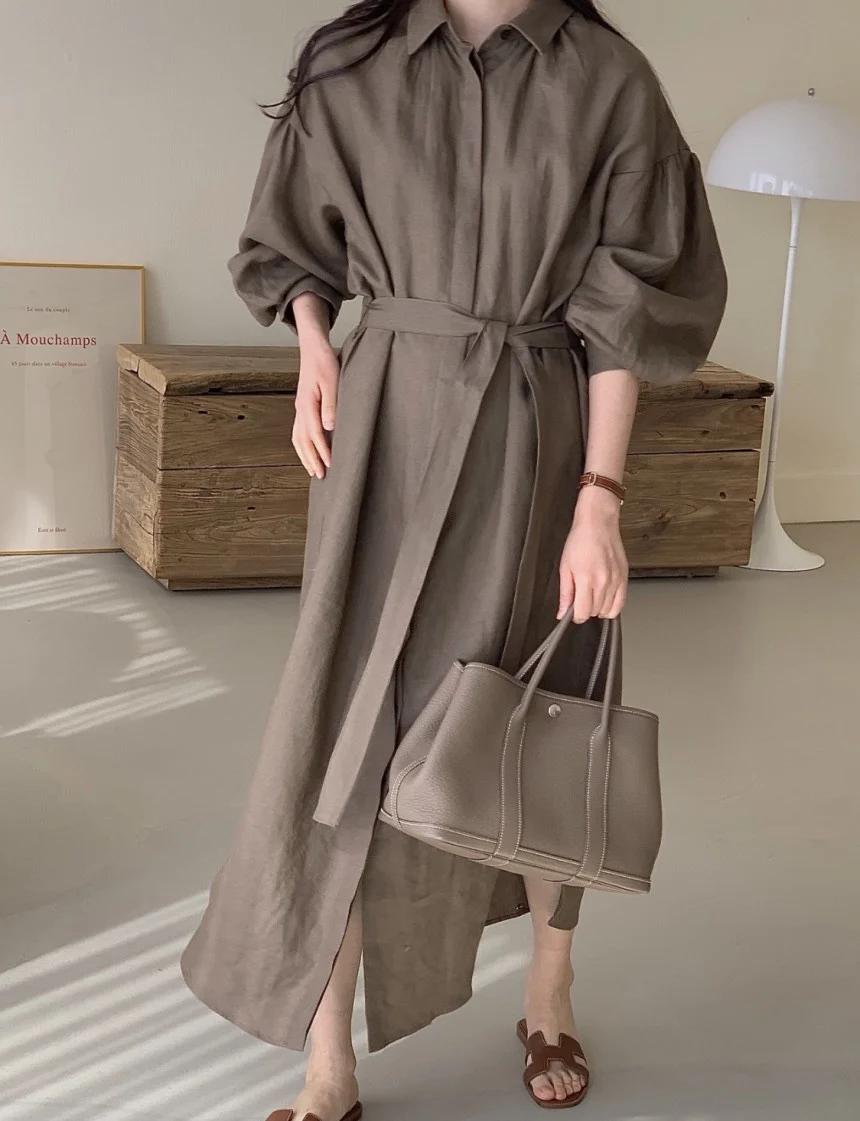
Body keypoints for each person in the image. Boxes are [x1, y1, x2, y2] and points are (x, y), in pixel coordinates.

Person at [180, 0, 728, 1117]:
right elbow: (292, 243)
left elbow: (623, 317)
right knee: (345, 739)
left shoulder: (609, 80)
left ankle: (549, 988)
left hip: (538, 440)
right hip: (383, 435)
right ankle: (327, 1059)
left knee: (536, 722)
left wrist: (600, 498)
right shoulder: (353, 63)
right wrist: (313, 343)